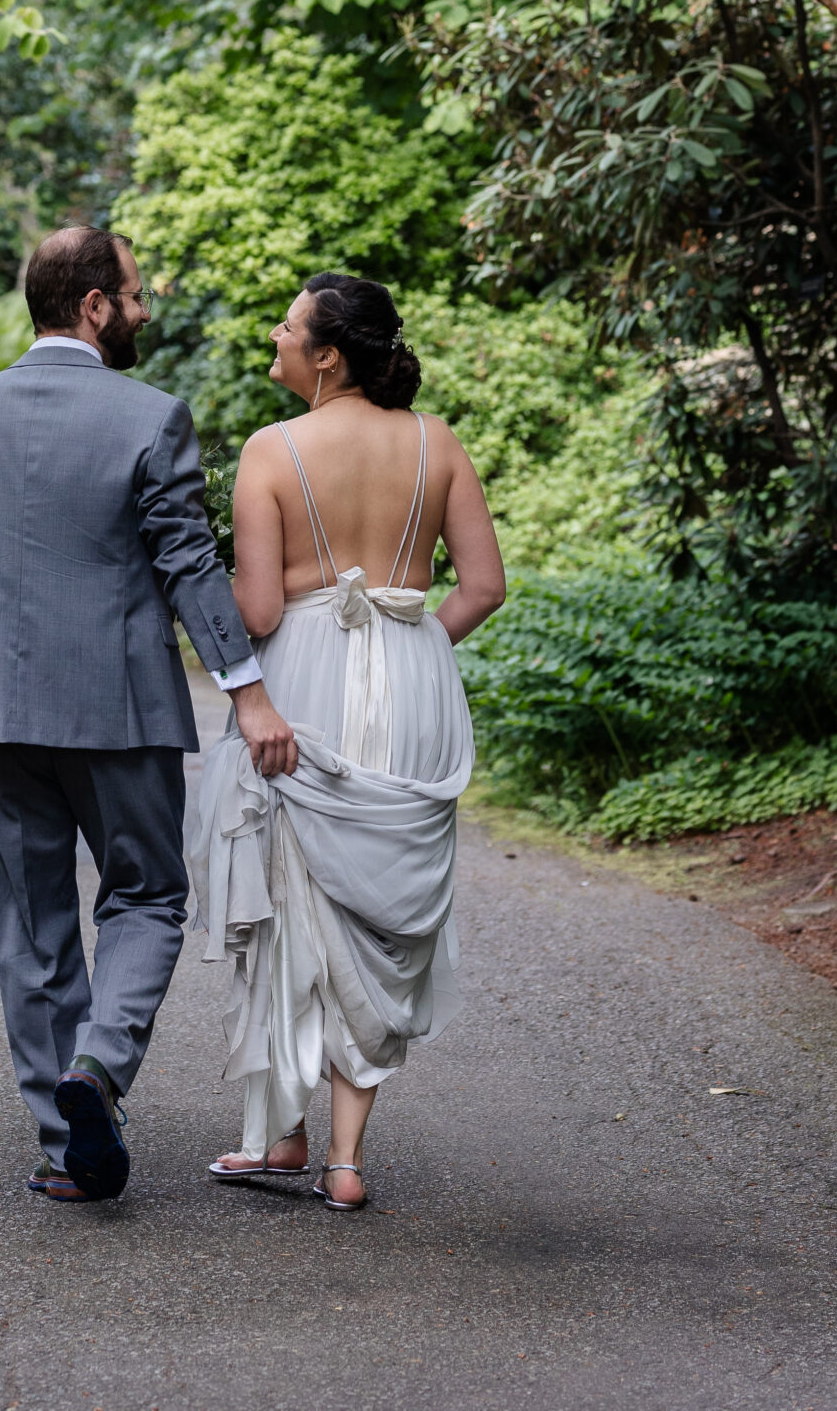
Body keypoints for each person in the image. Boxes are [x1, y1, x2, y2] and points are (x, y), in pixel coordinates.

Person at [0, 224, 297, 1204]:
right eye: (135, 292)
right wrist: (247, 691)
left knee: (32, 928)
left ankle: (66, 1143)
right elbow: (188, 563)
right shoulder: (151, 417)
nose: (146, 309)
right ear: (93, 306)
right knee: (148, 898)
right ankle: (99, 1067)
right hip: (119, 709)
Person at [190, 271, 506, 1212]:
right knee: (380, 912)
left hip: (300, 676)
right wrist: (411, 651)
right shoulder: (435, 442)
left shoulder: (269, 450)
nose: (275, 338)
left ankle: (281, 1139)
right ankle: (343, 1159)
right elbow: (482, 585)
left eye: (288, 329)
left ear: (327, 355)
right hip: (411, 676)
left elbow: (253, 607)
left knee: (287, 895)